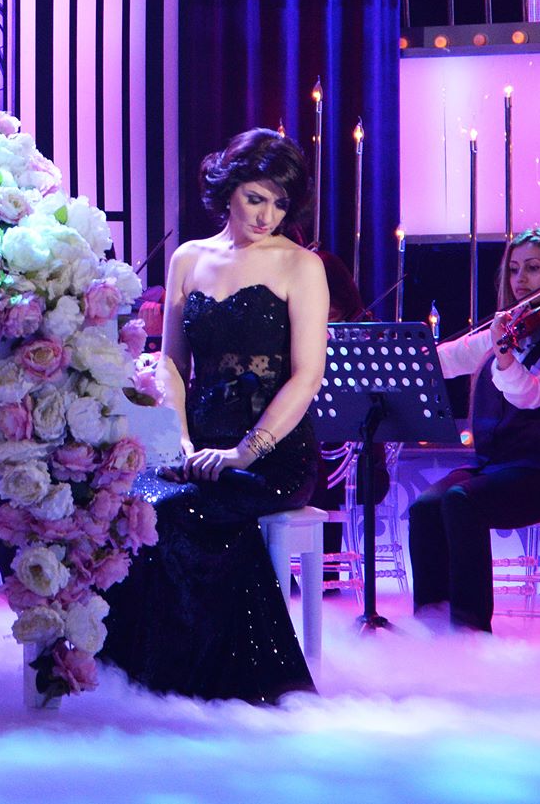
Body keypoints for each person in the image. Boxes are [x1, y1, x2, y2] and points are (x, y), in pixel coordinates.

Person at [98, 129, 330, 702]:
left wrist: (244, 452)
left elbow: (306, 377)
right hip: (197, 442)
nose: (267, 215)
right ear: (228, 190)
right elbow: (173, 365)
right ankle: (136, 678)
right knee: (130, 504)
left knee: (184, 512)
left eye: (280, 203)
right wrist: (178, 439)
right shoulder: (188, 258)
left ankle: (206, 685)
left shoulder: (301, 266)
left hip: (275, 452)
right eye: (256, 198)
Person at [410, 226, 540, 633]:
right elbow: (451, 358)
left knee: (462, 500)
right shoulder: (514, 327)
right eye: (514, 269)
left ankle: (470, 628)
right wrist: (407, 359)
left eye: (533, 268)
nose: (520, 280)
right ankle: (431, 622)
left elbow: (530, 395)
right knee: (425, 506)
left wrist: (504, 357)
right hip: (498, 467)